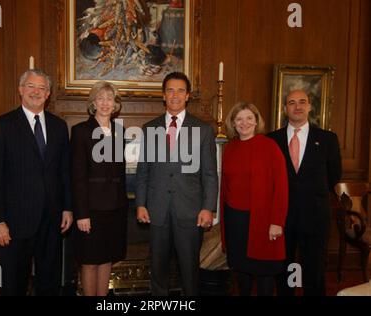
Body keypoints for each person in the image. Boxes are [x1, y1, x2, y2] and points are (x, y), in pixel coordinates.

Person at [0, 69, 73, 296]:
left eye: (41, 88)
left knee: (49, 283)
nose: (36, 91)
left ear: (48, 94)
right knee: (14, 285)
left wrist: (67, 207)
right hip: (14, 223)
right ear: (21, 90)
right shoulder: (2, 125)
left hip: (52, 221)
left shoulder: (59, 126)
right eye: (31, 86)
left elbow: (64, 171)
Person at [136, 72, 218, 296]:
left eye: (180, 90)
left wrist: (208, 208)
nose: (175, 95)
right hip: (157, 210)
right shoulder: (149, 129)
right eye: (170, 90)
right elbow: (143, 170)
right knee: (158, 268)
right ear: (163, 95)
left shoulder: (203, 130)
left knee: (189, 270)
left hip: (190, 211)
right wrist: (141, 204)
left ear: (188, 95)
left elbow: (210, 174)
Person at [268, 89, 342, 296]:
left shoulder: (327, 139)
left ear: (309, 106)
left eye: (302, 102)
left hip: (315, 215)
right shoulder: (272, 140)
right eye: (292, 102)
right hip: (283, 216)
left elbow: (334, 175)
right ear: (285, 109)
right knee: (285, 268)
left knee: (314, 269)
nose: (297, 106)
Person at [220, 102, 288, 296]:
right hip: (235, 219)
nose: (244, 123)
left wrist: (277, 222)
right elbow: (226, 185)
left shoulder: (270, 147)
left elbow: (281, 187)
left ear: (257, 121)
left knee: (264, 272)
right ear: (232, 123)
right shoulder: (230, 148)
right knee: (241, 271)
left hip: (261, 219)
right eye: (239, 118)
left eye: (249, 118)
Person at [70, 81, 128, 296]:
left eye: (109, 99)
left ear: (115, 104)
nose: (105, 103)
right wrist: (81, 214)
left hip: (116, 210)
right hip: (91, 211)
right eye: (101, 98)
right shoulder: (81, 131)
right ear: (93, 102)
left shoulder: (120, 132)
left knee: (107, 261)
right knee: (89, 262)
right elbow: (77, 175)